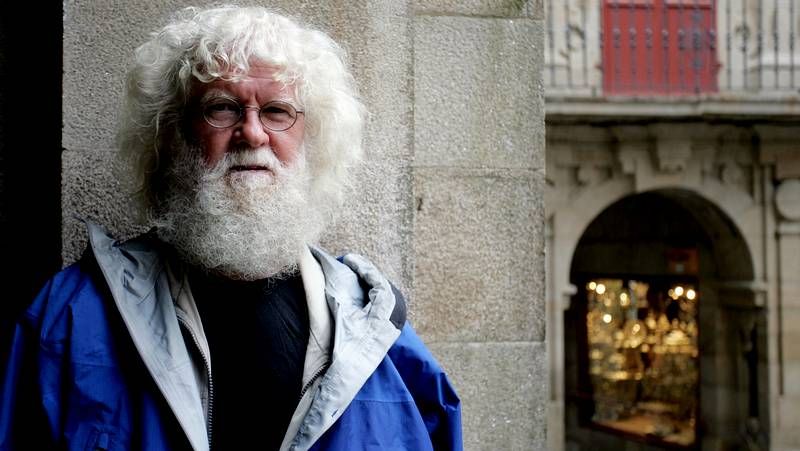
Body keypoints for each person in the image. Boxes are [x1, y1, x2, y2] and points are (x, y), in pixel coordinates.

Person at [0, 5, 461, 451]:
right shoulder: (72, 315)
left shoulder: (376, 330)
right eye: (222, 108)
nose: (253, 133)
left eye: (278, 111)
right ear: (173, 135)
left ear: (313, 138)